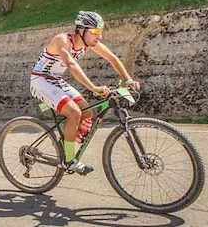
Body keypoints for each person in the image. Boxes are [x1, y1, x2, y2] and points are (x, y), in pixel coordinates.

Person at [30, 11, 140, 175]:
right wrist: (94, 88)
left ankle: (67, 137)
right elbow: (72, 65)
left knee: (87, 112)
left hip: (55, 80)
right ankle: (69, 159)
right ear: (81, 30)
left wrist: (128, 80)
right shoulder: (62, 40)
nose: (99, 37)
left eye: (100, 32)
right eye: (95, 32)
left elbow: (112, 58)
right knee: (74, 113)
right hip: (40, 81)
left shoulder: (89, 44)